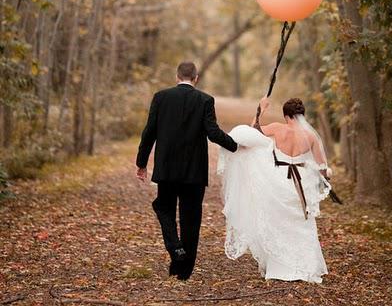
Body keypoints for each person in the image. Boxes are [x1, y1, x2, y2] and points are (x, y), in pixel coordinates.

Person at [136, 61, 238, 280]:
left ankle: (175, 249)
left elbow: (149, 132)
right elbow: (213, 133)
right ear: (196, 78)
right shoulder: (205, 100)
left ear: (176, 76)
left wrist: (141, 162)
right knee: (191, 218)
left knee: (164, 207)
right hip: (194, 172)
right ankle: (183, 271)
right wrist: (235, 145)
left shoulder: (161, 97)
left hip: (167, 169)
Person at [218, 96, 331, 283]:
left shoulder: (279, 128)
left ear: (286, 115)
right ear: (302, 115)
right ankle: (305, 267)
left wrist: (261, 108)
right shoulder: (311, 136)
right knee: (302, 222)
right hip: (301, 184)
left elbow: (251, 132)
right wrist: (325, 179)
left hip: (279, 180)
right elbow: (322, 166)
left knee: (279, 221)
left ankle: (279, 267)